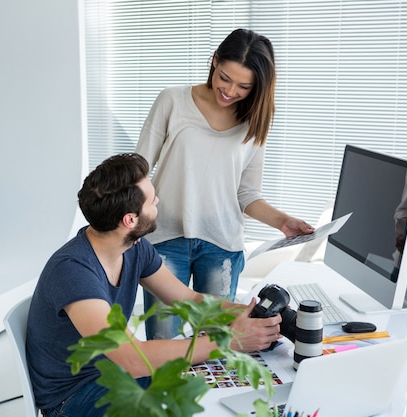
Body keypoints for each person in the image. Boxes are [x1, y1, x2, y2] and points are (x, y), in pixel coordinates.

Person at [26, 153, 283, 417]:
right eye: (151, 199)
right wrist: (229, 340)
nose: (158, 200)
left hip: (115, 375)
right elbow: (131, 359)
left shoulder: (133, 247)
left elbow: (188, 299)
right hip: (72, 398)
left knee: (219, 389)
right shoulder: (73, 271)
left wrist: (242, 313)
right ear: (130, 220)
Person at [135, 28, 314, 340]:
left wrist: (282, 221)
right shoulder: (172, 101)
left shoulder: (255, 120)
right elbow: (138, 170)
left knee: (218, 343)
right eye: (225, 78)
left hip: (222, 246)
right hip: (164, 239)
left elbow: (247, 194)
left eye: (244, 86)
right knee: (164, 347)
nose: (230, 91)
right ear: (214, 61)